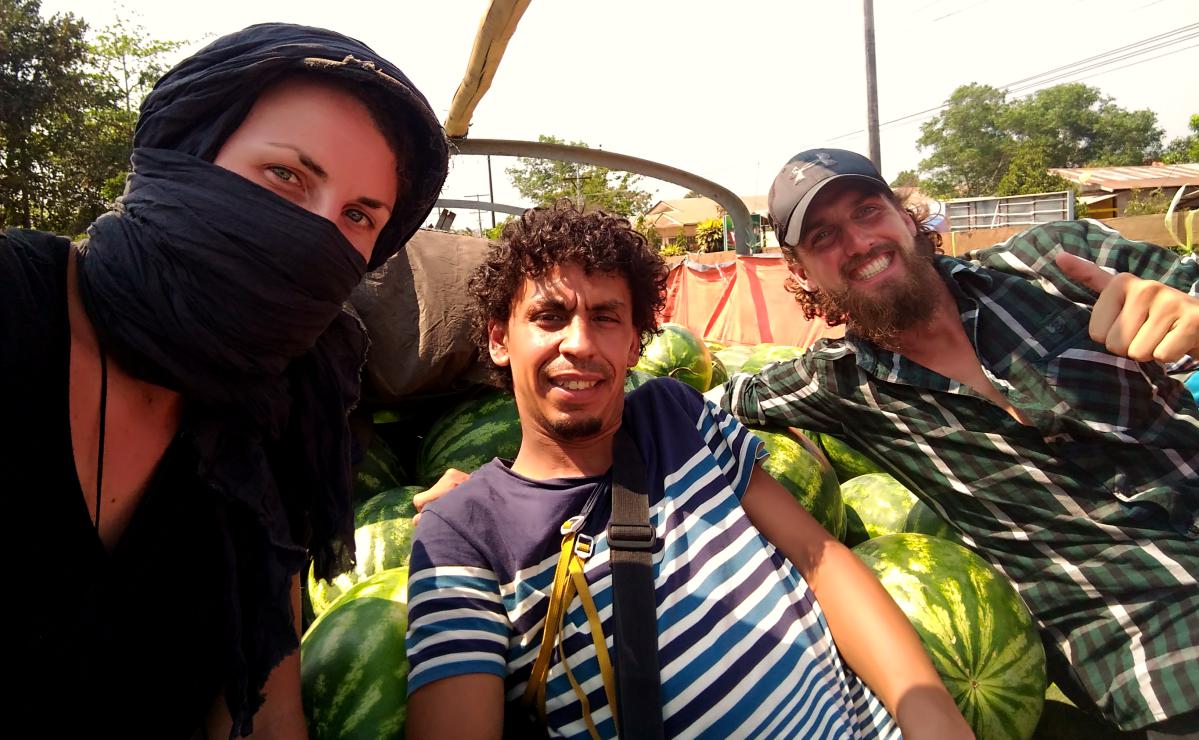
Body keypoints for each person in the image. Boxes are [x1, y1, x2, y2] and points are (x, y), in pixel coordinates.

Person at [1, 23, 450, 738]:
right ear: (188, 153)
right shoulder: (15, 308)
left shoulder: (283, 410)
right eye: (285, 175)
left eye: (359, 216)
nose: (315, 237)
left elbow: (263, 711)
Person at [404, 202, 972, 739]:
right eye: (550, 317)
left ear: (633, 344)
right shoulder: (462, 533)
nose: (578, 343)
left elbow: (817, 556)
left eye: (605, 318)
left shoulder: (675, 415)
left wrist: (935, 721)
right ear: (500, 338)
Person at [713, 148, 1199, 734]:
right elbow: (688, 405)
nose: (859, 242)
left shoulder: (1054, 262)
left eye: (868, 211)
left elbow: (1183, 295)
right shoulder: (837, 383)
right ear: (800, 272)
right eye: (823, 237)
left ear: (906, 216)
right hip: (1155, 638)